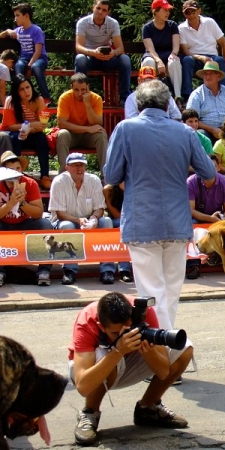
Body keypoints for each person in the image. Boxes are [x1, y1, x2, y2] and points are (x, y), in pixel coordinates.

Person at [103, 79, 216, 330]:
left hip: (142, 223)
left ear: (139, 104)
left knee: (151, 292)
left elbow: (111, 177)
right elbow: (208, 172)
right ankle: (169, 345)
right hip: (177, 223)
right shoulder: (186, 132)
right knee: (171, 292)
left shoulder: (125, 129)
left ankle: (166, 347)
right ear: (168, 105)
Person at [69, 292, 192, 446]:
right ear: (102, 326)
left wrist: (149, 351)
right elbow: (83, 386)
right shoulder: (87, 320)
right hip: (97, 368)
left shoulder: (142, 313)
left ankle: (148, 408)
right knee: (104, 354)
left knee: (184, 347)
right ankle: (89, 412)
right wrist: (118, 351)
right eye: (116, 333)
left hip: (129, 362)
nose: (124, 335)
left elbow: (163, 372)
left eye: (128, 329)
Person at [48, 152, 114, 285]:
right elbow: (60, 213)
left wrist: (94, 219)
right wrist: (78, 220)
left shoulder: (94, 180)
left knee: (106, 221)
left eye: (82, 165)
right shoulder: (59, 182)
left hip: (89, 220)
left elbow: (100, 207)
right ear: (67, 167)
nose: (79, 168)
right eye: (75, 165)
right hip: (65, 221)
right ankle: (69, 271)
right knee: (68, 226)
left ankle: (107, 270)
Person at [0, 151, 52, 287]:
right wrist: (11, 203)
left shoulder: (30, 183)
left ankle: (44, 271)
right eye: (11, 169)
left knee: (45, 224)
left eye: (18, 168)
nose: (15, 173)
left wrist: (22, 203)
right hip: (3, 224)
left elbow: (38, 213)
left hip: (23, 223)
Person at [185, 154, 225, 280]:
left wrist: (223, 218)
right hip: (197, 216)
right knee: (190, 222)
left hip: (218, 217)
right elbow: (190, 210)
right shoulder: (190, 182)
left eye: (212, 166)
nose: (208, 170)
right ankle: (193, 264)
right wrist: (210, 219)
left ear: (218, 168)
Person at [75, 0, 132, 107]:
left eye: (104, 10)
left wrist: (113, 53)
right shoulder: (82, 23)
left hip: (107, 59)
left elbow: (120, 48)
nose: (100, 12)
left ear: (108, 12)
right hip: (90, 58)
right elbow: (78, 47)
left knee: (125, 59)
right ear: (93, 8)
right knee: (80, 59)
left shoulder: (113, 23)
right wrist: (93, 53)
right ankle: (80, 96)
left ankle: (125, 98)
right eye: (98, 8)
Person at [0, 74, 51, 190]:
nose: (26, 92)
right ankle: (16, 174)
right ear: (17, 92)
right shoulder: (11, 100)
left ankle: (44, 176)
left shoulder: (39, 100)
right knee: (14, 138)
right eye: (22, 89)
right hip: (16, 133)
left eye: (28, 87)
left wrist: (30, 130)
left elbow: (42, 125)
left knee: (42, 138)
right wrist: (30, 125)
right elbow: (10, 126)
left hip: (33, 134)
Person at [56, 73, 109, 175]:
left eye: (83, 90)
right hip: (71, 135)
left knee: (101, 134)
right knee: (62, 134)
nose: (80, 93)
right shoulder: (64, 98)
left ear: (88, 87)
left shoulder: (96, 98)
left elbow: (97, 122)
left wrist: (87, 104)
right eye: (76, 90)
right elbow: (62, 123)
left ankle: (106, 176)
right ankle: (64, 175)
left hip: (88, 137)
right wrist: (87, 129)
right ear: (71, 87)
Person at [185, 61, 225, 145]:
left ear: (218, 76)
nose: (208, 76)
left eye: (211, 74)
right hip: (207, 131)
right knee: (200, 134)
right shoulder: (196, 95)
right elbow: (191, 120)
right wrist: (212, 129)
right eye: (205, 74)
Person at [0, 3, 50, 104]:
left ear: (26, 16)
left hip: (39, 58)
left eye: (17, 15)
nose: (15, 19)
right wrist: (8, 31)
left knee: (36, 67)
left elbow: (38, 51)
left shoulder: (36, 30)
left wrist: (30, 65)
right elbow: (1, 36)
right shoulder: (18, 31)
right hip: (24, 58)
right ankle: (19, 95)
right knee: (18, 65)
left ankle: (46, 97)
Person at [179, 0, 225, 99]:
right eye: (187, 12)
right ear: (184, 14)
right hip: (194, 58)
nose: (191, 15)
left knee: (220, 61)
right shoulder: (181, 28)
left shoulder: (210, 22)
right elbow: (185, 51)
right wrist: (201, 57)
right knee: (186, 60)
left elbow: (224, 44)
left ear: (199, 11)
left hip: (212, 58)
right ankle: (186, 95)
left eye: (193, 11)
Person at [141, 0, 182, 105]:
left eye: (168, 10)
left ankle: (177, 97)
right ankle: (148, 96)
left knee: (175, 62)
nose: (167, 13)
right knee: (148, 62)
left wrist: (173, 55)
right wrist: (159, 61)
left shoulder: (172, 25)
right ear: (155, 11)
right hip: (153, 55)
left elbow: (176, 46)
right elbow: (150, 49)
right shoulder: (147, 28)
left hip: (169, 54)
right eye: (164, 10)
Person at [103, 183, 133, 283]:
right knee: (123, 228)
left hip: (133, 219)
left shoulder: (135, 186)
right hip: (116, 220)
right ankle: (124, 270)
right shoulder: (108, 189)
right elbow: (116, 214)